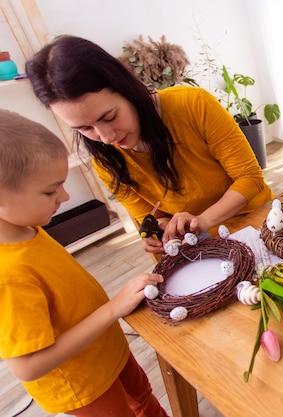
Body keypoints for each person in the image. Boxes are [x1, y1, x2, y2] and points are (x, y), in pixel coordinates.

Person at [25, 35, 274, 255]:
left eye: (109, 116)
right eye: (85, 129)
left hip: (258, 222)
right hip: (200, 247)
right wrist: (158, 231)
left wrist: (201, 220)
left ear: (127, 89)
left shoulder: (194, 105)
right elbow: (151, 217)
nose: (106, 136)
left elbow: (250, 178)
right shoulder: (105, 161)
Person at [0, 109, 168, 416]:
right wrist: (114, 308)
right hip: (83, 385)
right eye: (50, 190)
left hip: (106, 348)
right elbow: (27, 366)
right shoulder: (8, 275)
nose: (64, 197)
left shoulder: (29, 228)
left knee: (143, 397)